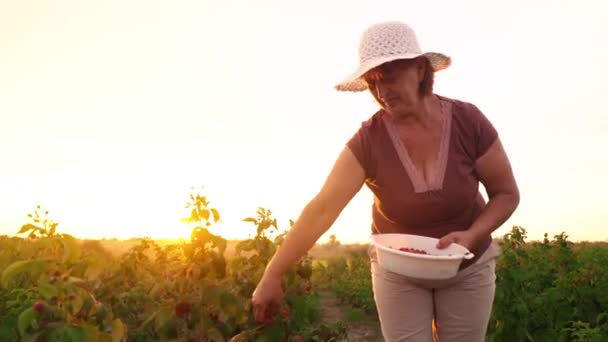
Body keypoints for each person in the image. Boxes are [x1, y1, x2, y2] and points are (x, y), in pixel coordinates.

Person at [251, 21, 520, 342]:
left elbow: (506, 194)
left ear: (420, 69)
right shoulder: (369, 141)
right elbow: (323, 208)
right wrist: (273, 272)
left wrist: (474, 235)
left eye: (389, 77)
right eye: (372, 82)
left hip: (468, 268)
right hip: (399, 274)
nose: (381, 92)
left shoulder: (468, 121)